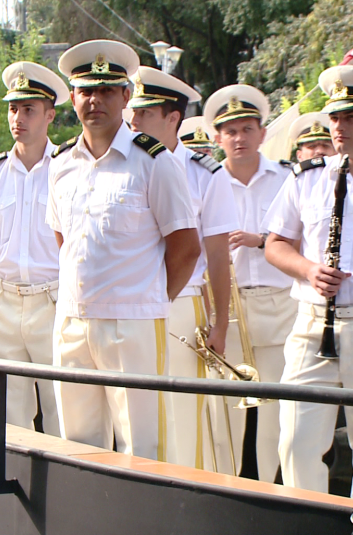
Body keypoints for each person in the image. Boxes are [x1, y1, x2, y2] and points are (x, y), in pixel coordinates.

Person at [48, 40, 200, 459]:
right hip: (73, 321)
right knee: (77, 449)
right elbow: (64, 239)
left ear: (125, 96)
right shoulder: (60, 165)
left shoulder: (153, 161)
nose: (95, 100)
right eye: (85, 91)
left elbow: (186, 247)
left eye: (107, 90)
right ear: (73, 97)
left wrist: (147, 295)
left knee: (143, 449)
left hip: (132, 323)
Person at [265, 65, 353, 502]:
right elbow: (275, 244)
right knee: (295, 440)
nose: (338, 127)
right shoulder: (309, 176)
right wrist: (308, 269)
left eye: (352, 117)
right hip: (313, 322)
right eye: (334, 117)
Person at [128, 66, 239, 472]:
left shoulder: (205, 174)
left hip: (181, 304)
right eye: (133, 112)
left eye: (144, 114)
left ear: (173, 117)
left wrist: (220, 322)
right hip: (130, 303)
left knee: (182, 417)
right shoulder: (125, 161)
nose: (133, 120)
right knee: (137, 415)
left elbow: (216, 256)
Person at [0, 61, 70, 432]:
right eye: (13, 108)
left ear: (50, 115)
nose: (18, 118)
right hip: (5, 303)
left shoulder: (67, 168)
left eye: (28, 109)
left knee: (63, 411)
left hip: (53, 301)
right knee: (8, 416)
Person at [204, 84, 295, 481]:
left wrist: (260, 240)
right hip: (226, 309)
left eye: (247, 129)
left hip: (278, 303)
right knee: (227, 412)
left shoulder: (288, 178)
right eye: (230, 131)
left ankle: (270, 492)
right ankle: (229, 490)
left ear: (262, 133)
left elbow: (308, 239)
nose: (239, 138)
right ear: (217, 137)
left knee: (275, 409)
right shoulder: (206, 179)